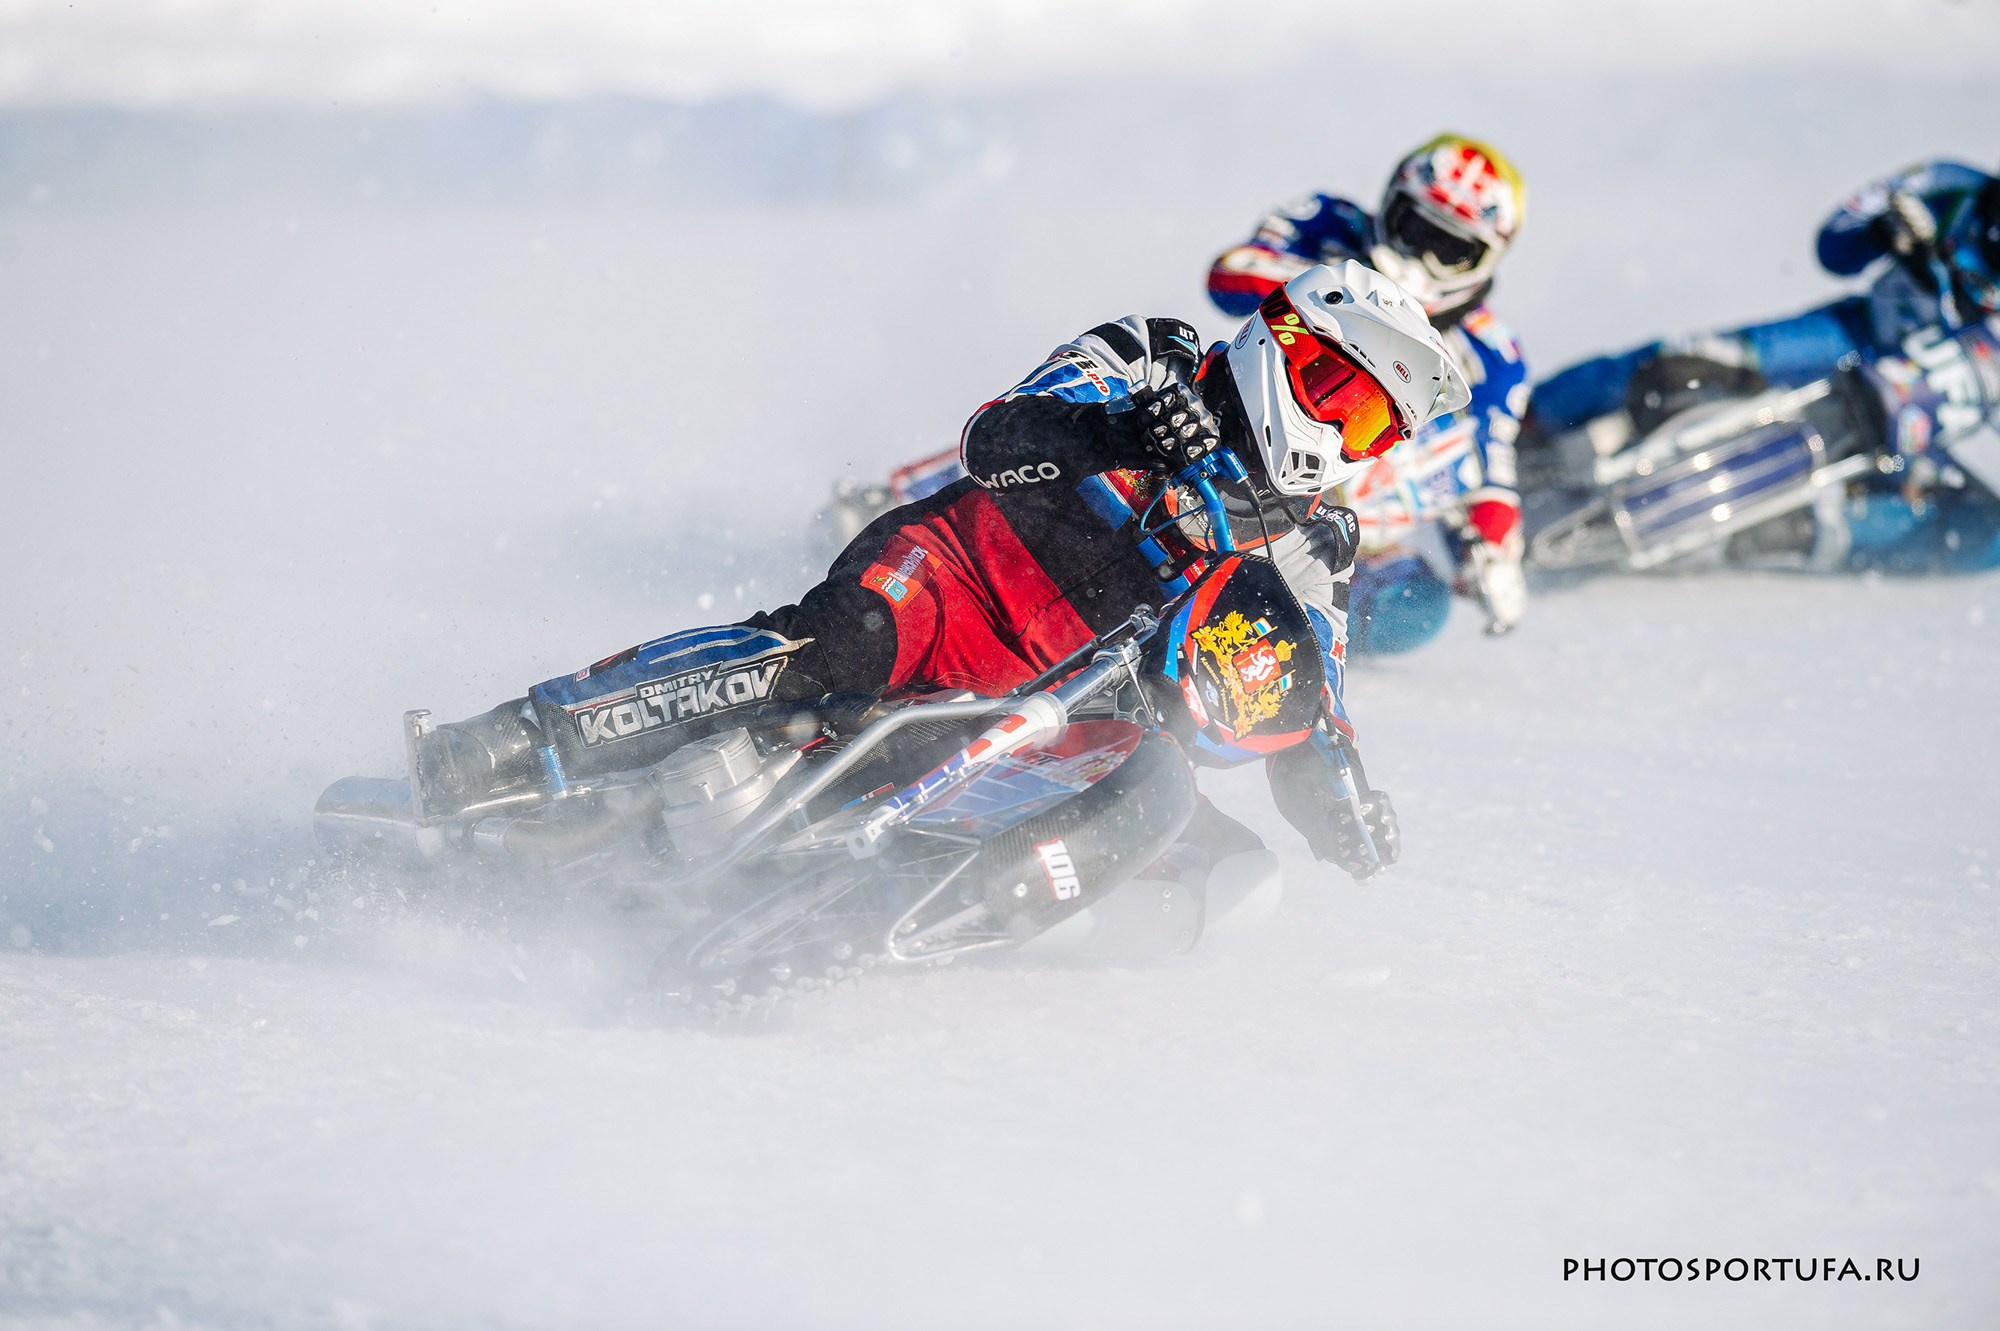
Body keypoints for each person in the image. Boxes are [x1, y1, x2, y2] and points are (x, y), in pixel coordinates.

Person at [412, 262, 1471, 880]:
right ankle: (519, 739)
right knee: (834, 648)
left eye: (1371, 425)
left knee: (1206, 853)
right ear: (1284, 345)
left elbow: (1312, 691)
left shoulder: (1313, 541)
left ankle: (880, 910)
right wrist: (1121, 432)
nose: (1341, 434)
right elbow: (995, 440)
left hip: (1057, 698)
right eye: (1339, 395)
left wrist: (1344, 804)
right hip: (951, 577)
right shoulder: (1156, 353)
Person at [1524, 159, 2000, 573]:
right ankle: (1528, 419)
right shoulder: (1947, 183)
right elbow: (1833, 247)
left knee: (1985, 535)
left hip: (1930, 423)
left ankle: (1823, 525)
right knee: (1681, 359)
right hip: (1852, 337)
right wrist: (1883, 232)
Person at [1207, 133, 1532, 652]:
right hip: (1234, 434)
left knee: (1418, 606)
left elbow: (1492, 467)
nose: (1424, 258)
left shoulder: (1493, 352)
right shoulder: (1329, 221)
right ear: (1390, 206)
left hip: (1333, 513)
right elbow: (1229, 274)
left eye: (1450, 249)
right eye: (1415, 230)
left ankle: (1271, 636)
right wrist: (1342, 289)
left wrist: (1491, 550)